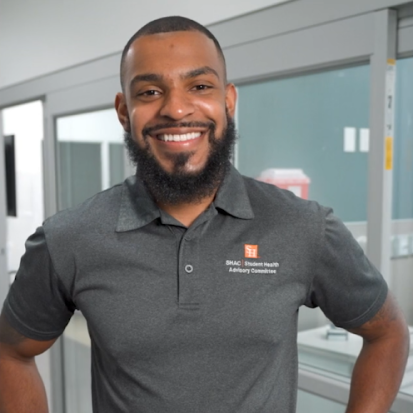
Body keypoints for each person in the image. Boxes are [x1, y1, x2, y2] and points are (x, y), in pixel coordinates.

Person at [0, 15, 410, 413]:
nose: (176, 109)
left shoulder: (304, 227)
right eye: (149, 92)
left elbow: (387, 334)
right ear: (124, 111)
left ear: (227, 101)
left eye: (199, 85)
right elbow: (11, 353)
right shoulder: (69, 238)